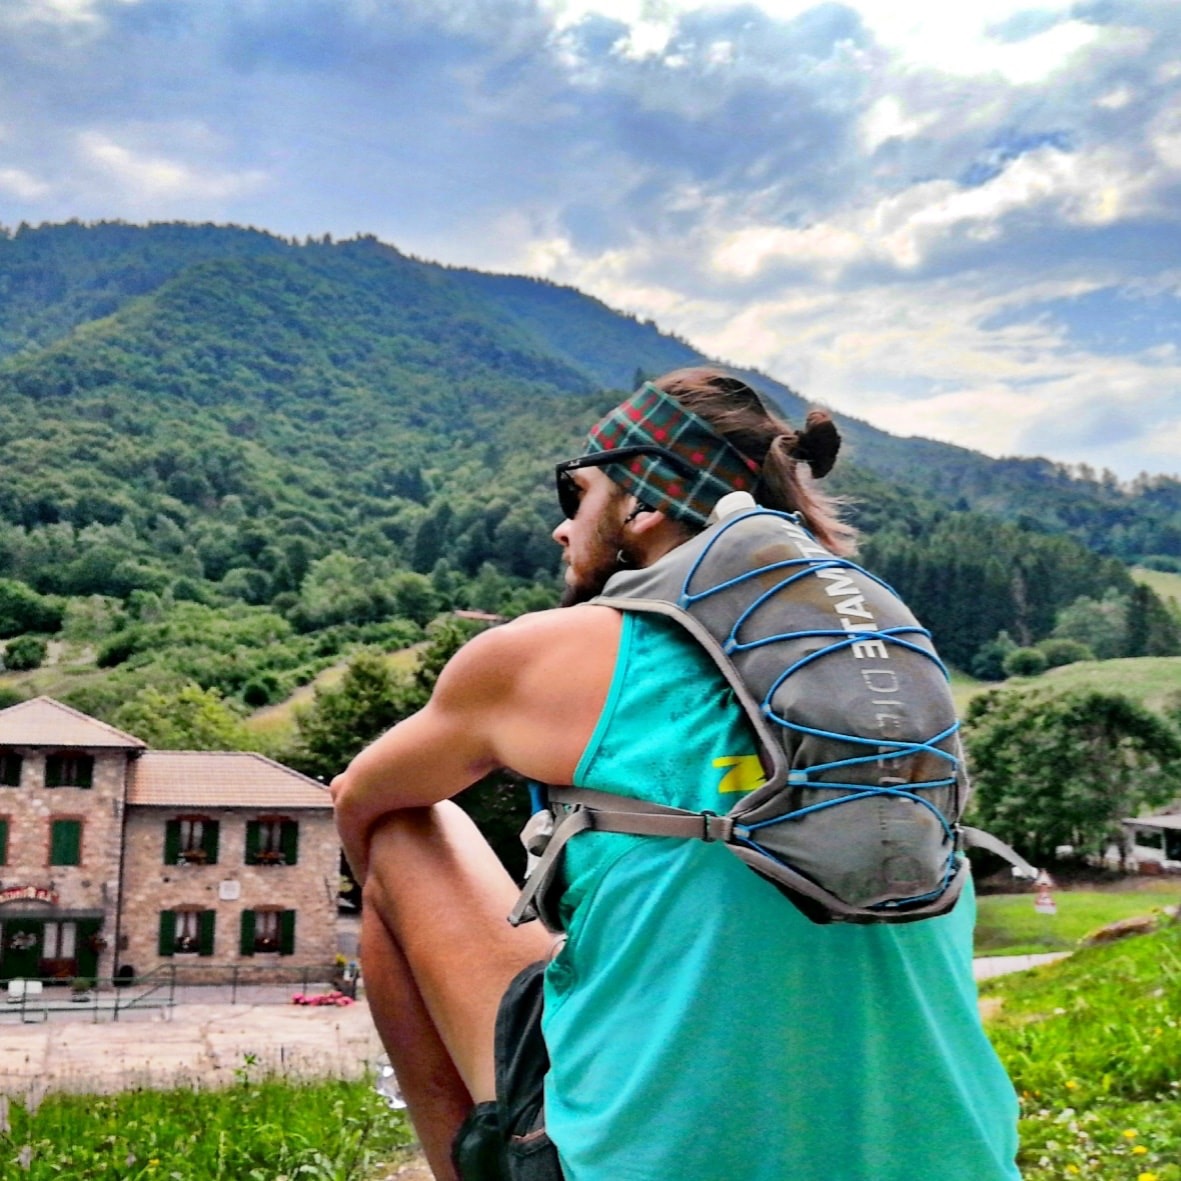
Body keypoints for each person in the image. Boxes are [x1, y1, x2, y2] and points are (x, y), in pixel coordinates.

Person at [331, 368, 1021, 1181]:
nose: (562, 528)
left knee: (406, 826)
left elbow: (357, 798)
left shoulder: (538, 655)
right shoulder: (894, 662)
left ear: (643, 503)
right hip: (959, 1159)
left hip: (649, 1163)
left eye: (576, 494)